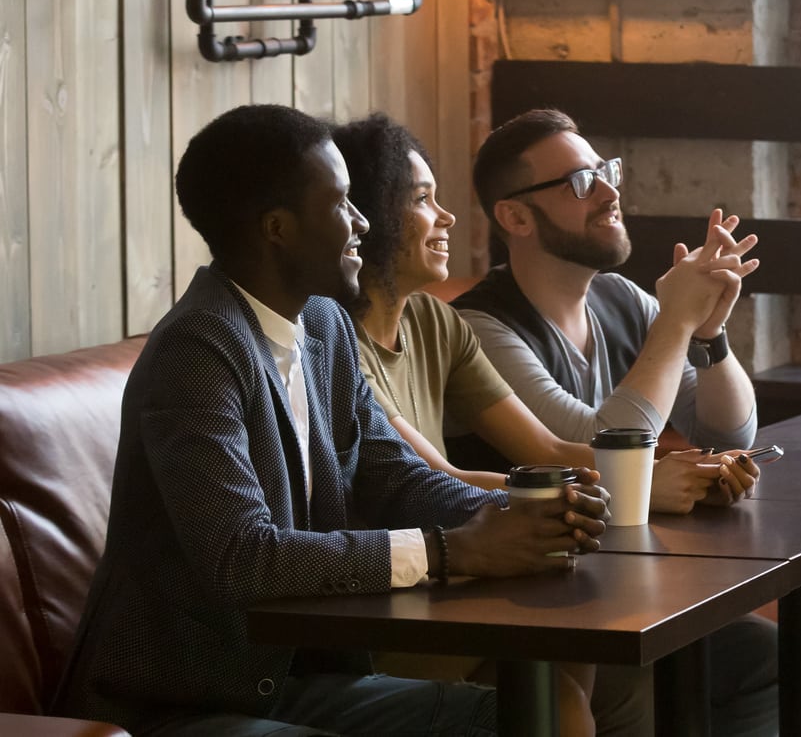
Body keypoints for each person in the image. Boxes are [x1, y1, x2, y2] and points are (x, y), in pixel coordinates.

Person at [53, 104, 608, 737]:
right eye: (341, 203)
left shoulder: (323, 324)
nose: (362, 222)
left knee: (553, 713)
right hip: (185, 701)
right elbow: (243, 557)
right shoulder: (198, 351)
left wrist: (521, 519)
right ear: (277, 229)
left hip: (303, 679)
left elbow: (393, 476)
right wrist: (451, 550)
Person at [330, 111, 763, 736]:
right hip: (404, 600)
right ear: (365, 220)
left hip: (485, 581)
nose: (449, 217)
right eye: (424, 200)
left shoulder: (437, 322)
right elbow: (435, 477)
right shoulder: (339, 337)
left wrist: (708, 341)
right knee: (571, 685)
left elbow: (553, 447)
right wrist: (624, 487)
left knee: (651, 668)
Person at [455, 107, 780, 737]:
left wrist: (708, 334)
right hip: (527, 609)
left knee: (760, 654)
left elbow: (730, 434)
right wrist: (676, 326)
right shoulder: (480, 328)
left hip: (615, 587)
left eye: (606, 171)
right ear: (515, 217)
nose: (610, 192)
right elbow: (591, 446)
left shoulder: (620, 298)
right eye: (581, 182)